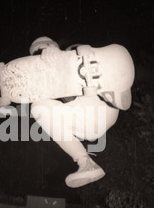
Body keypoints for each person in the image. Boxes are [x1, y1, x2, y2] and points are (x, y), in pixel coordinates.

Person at [28, 36, 134, 188]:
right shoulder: (47, 80)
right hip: (90, 124)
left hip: (101, 105)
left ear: (50, 47)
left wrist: (60, 57)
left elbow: (85, 52)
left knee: (79, 61)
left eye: (41, 51)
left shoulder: (72, 51)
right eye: (35, 55)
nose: (39, 56)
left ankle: (112, 90)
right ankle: (86, 163)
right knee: (39, 107)